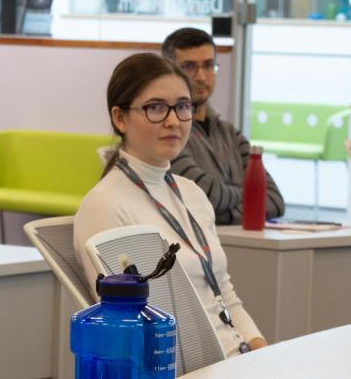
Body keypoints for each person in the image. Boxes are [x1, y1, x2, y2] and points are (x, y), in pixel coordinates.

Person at [73, 52, 266, 357]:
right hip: (178, 377)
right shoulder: (106, 205)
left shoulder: (191, 193)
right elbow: (134, 328)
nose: (173, 121)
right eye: (156, 108)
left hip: (234, 363)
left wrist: (261, 352)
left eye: (183, 107)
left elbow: (223, 293)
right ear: (119, 118)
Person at [161, 27, 284, 225]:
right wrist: (247, 199)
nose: (201, 77)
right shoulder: (168, 134)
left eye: (208, 65)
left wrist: (224, 214)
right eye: (189, 67)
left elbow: (275, 201)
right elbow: (206, 196)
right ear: (169, 71)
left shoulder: (230, 134)